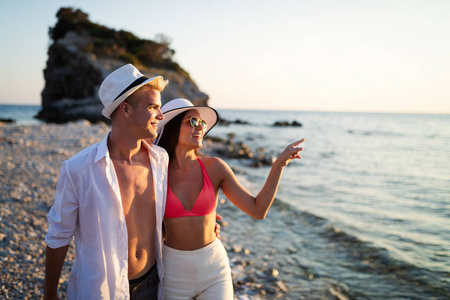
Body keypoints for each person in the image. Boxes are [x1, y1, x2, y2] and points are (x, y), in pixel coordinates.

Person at [155, 98, 305, 299]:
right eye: (192, 122)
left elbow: (257, 210)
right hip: (173, 272)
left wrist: (278, 165)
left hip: (214, 269)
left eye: (202, 123)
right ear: (172, 127)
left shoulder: (215, 167)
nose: (200, 127)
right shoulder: (155, 172)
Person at [44, 64, 170, 300]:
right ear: (125, 109)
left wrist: (204, 220)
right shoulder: (78, 169)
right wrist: (49, 295)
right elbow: (58, 236)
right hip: (101, 290)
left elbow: (169, 209)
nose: (161, 116)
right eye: (153, 107)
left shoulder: (160, 159)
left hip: (154, 284)